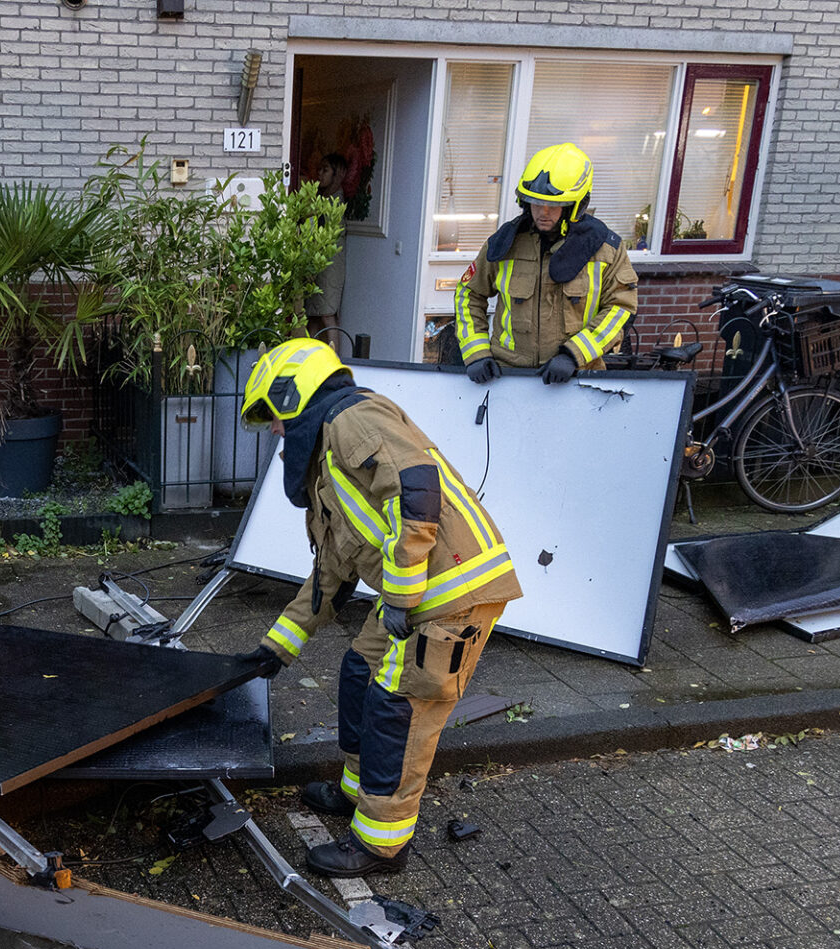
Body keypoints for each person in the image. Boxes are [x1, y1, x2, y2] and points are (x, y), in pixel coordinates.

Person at [237, 338, 521, 876]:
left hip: (451, 596)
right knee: (358, 671)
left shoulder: (354, 418)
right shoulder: (330, 465)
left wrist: (400, 595)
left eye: (274, 418)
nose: (275, 432)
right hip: (419, 598)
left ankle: (380, 844)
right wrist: (274, 649)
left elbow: (416, 489)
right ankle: (355, 793)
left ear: (294, 396)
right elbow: (330, 578)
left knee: (399, 709)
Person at [453, 143, 638, 386]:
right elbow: (468, 294)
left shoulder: (605, 249)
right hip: (508, 378)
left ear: (576, 204)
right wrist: (476, 353)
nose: (543, 212)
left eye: (554, 205)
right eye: (536, 203)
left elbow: (621, 308)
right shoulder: (503, 245)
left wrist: (574, 354)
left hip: (577, 379)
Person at [305, 153, 349, 342]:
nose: (320, 174)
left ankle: (335, 360)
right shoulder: (321, 198)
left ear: (336, 174)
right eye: (319, 170)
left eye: (326, 170)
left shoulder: (336, 201)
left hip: (329, 265)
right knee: (313, 314)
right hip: (317, 262)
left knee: (327, 314)